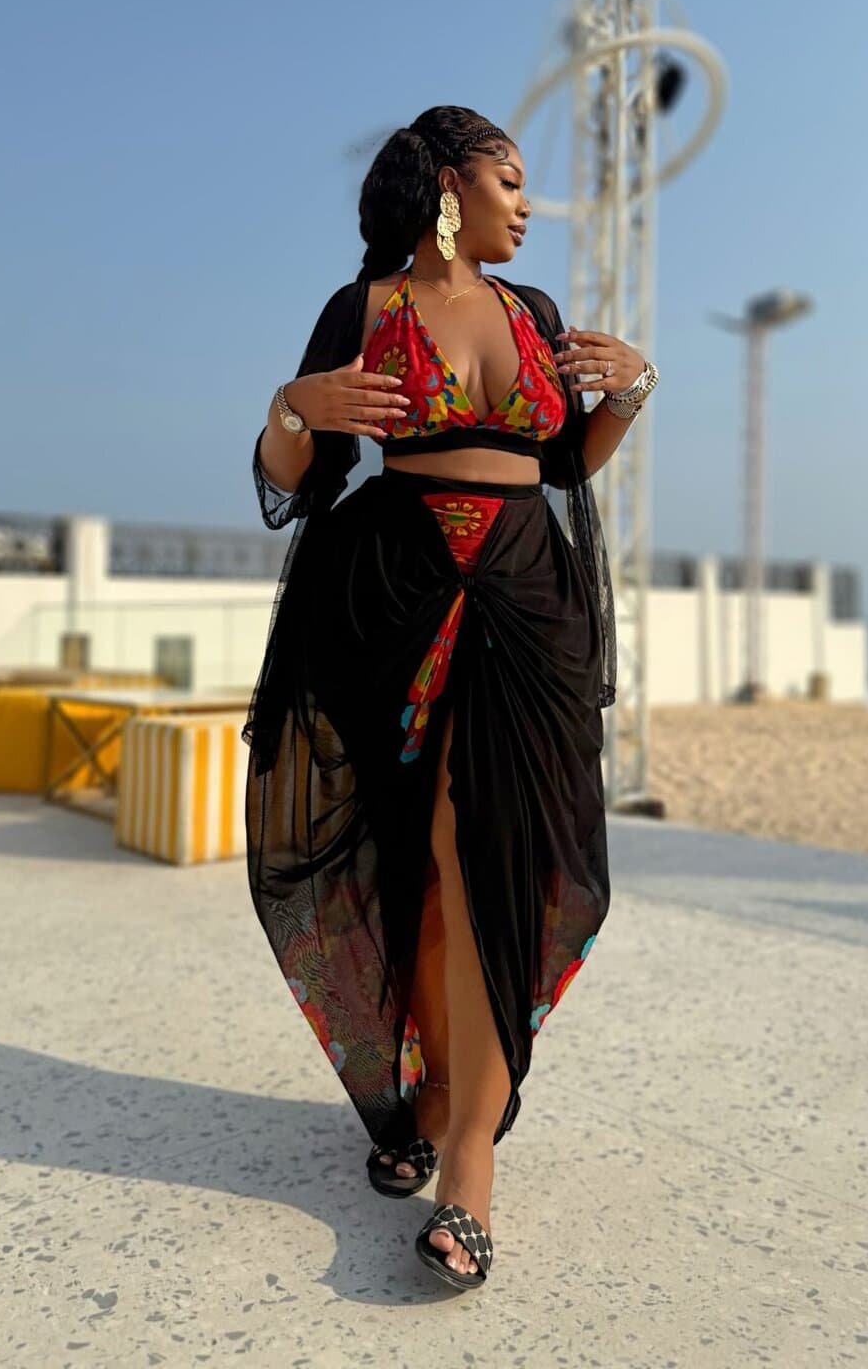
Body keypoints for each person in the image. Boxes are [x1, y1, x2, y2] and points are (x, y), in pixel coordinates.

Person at [242, 104, 658, 1291]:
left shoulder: (535, 314)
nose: (527, 203)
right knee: (419, 853)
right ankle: (424, 1097)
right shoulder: (364, 307)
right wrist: (290, 407)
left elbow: (563, 462)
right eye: (509, 180)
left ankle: (467, 1151)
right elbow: (297, 479)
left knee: (494, 850)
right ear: (446, 187)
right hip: (392, 594)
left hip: (526, 600)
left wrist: (630, 392)